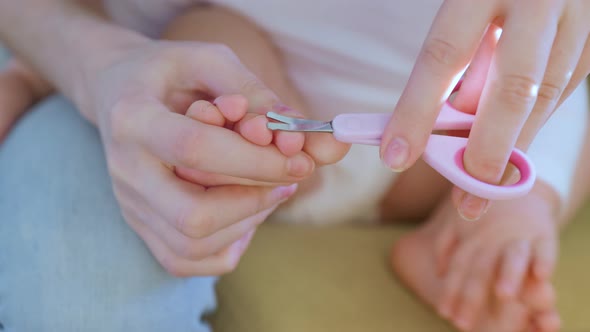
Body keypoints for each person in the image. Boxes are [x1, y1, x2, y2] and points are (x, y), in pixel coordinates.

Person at [0, 1, 589, 332]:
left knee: (545, 98)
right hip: (228, 71)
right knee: (215, 47)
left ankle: (474, 229)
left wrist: (535, 195)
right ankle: (227, 151)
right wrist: (79, 59)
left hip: (442, 129)